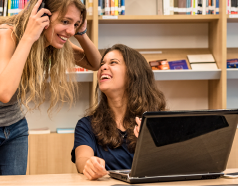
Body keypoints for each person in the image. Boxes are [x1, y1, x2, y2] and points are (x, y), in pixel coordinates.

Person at [0, 0, 101, 181]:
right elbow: (4, 93)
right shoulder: (6, 36)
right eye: (65, 21)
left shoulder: (52, 42)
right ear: (42, 16)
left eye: (75, 24)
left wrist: (82, 33)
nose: (70, 30)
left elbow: (96, 63)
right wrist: (29, 37)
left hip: (14, 126)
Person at [71, 44, 167, 180]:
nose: (103, 67)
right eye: (102, 64)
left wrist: (150, 147)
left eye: (113, 63)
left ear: (134, 73)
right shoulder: (86, 125)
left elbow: (172, 167)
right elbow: (82, 158)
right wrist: (89, 164)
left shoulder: (158, 122)